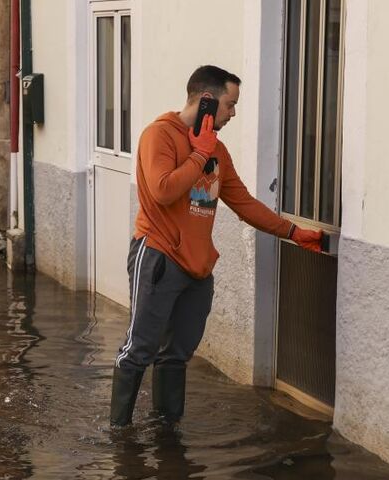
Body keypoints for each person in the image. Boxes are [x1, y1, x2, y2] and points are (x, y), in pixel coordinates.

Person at [110, 65, 322, 427]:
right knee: (139, 349)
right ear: (207, 101)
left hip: (197, 268)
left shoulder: (218, 151)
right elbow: (163, 190)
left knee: (177, 354)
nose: (233, 113)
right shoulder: (158, 136)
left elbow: (244, 203)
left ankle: (166, 431)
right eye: (230, 104)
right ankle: (119, 435)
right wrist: (197, 154)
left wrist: (292, 232)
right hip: (159, 257)